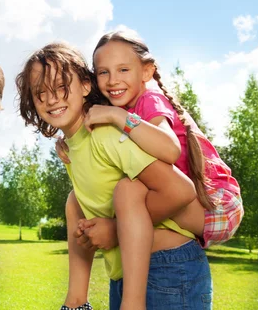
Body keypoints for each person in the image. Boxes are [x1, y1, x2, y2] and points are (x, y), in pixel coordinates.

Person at [15, 42, 212, 310]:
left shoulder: (106, 134)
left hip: (168, 268)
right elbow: (82, 216)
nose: (52, 99)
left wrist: (114, 230)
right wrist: (75, 302)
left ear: (85, 86)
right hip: (126, 275)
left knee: (126, 190)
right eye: (41, 93)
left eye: (61, 87)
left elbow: (180, 191)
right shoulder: (73, 146)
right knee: (74, 201)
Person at [62, 31, 243, 308]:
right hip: (195, 210)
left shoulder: (149, 101)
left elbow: (170, 149)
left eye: (124, 69)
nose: (113, 80)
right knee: (105, 193)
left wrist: (118, 116)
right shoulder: (120, 107)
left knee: (127, 191)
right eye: (103, 72)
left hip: (219, 204)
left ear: (147, 71)